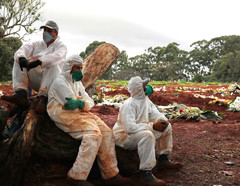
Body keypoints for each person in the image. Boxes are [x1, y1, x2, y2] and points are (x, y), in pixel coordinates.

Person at [47, 55, 130, 186]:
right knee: (94, 135)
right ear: (69, 67)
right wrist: (82, 103)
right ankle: (76, 176)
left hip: (80, 113)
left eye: (81, 68)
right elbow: (70, 105)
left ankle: (110, 174)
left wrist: (80, 102)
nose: (79, 71)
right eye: (77, 68)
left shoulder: (77, 83)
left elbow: (90, 102)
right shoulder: (60, 82)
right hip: (63, 114)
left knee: (107, 133)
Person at [113, 76, 183, 186]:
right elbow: (129, 128)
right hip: (123, 136)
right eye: (144, 86)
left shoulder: (146, 101)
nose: (147, 87)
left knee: (167, 127)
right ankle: (146, 174)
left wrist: (161, 120)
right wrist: (152, 127)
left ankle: (164, 159)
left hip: (139, 131)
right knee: (147, 135)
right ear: (139, 89)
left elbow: (156, 114)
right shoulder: (129, 105)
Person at [1, 20, 67, 114]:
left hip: (54, 85)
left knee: (52, 65)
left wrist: (39, 62)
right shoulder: (37, 44)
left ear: (56, 33)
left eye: (49, 31)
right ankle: (21, 93)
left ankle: (43, 99)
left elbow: (55, 57)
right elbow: (22, 50)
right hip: (39, 81)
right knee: (18, 60)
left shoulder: (61, 46)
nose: (45, 33)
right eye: (44, 30)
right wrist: (22, 58)